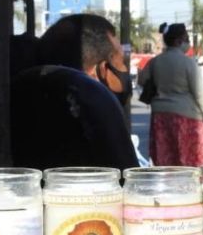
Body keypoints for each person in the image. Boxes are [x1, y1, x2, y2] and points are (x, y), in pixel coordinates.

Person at [11, 14, 139, 171]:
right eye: (121, 62)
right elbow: (127, 179)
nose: (124, 70)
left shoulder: (18, 93)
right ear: (99, 70)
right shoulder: (97, 100)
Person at [139, 23, 203, 167]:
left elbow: (142, 79)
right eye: (186, 38)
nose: (188, 42)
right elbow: (199, 92)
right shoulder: (188, 63)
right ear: (178, 41)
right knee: (192, 159)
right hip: (186, 116)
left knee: (166, 158)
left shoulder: (155, 61)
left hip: (160, 116)